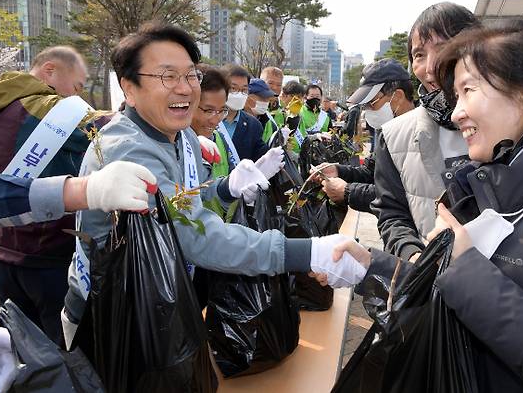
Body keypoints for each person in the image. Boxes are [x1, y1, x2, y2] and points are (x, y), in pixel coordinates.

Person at [337, 19, 523, 393]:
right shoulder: (484, 184)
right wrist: (372, 265)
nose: (456, 112)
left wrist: (465, 268)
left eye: (469, 90)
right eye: (457, 94)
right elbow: (448, 290)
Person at [63, 23, 367, 346]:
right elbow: (195, 235)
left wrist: (225, 188)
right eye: (167, 76)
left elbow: (187, 197)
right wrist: (307, 253)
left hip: (159, 306)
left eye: (190, 75)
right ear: (130, 89)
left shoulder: (181, 138)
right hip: (110, 321)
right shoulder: (128, 149)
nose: (184, 88)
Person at [0, 45, 99, 345]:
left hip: (3, 244)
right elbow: (103, 133)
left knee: (17, 348)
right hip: (48, 249)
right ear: (50, 70)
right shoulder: (47, 109)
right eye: (76, 86)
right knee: (64, 354)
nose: (76, 97)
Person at [371, 2, 479, 260]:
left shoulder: (513, 126)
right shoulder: (393, 136)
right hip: (431, 287)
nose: (430, 67)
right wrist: (412, 254)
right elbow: (392, 214)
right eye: (418, 55)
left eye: (444, 48)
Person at [311, 59, 415, 214]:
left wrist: (348, 192)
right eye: (364, 106)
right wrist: (338, 171)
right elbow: (371, 172)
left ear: (397, 96)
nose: (367, 111)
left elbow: (408, 196)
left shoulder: (420, 135)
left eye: (371, 103)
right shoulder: (386, 132)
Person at [220, 65, 269, 161]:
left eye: (244, 90)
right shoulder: (207, 118)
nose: (239, 94)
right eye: (233, 89)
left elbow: (259, 158)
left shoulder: (253, 125)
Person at [246, 78, 279, 143]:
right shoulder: (235, 120)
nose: (266, 102)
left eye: (267, 98)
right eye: (262, 98)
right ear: (248, 96)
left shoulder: (270, 124)